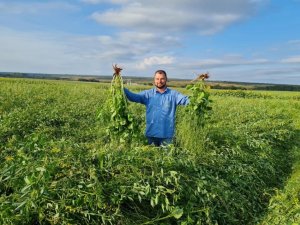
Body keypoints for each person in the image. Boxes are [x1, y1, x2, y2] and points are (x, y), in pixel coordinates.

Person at [124, 70, 189, 146]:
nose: (159, 81)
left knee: (167, 158)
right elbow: (133, 97)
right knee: (150, 157)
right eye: (157, 79)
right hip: (151, 135)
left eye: (162, 79)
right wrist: (122, 89)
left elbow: (185, 100)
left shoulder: (173, 94)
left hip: (167, 136)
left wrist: (198, 99)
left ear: (166, 80)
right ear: (154, 80)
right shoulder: (148, 94)